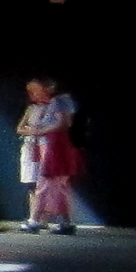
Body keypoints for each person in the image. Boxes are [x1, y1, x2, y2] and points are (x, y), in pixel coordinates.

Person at [18, 74, 81, 232]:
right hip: (52, 146)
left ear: (46, 88)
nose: (32, 94)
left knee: (44, 183)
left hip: (55, 147)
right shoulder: (54, 103)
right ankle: (65, 222)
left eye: (35, 90)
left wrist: (39, 131)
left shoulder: (59, 101)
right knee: (59, 186)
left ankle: (34, 220)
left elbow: (63, 123)